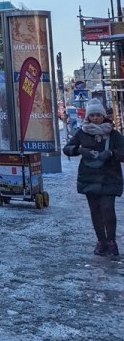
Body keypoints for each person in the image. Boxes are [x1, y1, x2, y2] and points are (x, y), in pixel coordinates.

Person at [62, 98, 124, 257]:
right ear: (88, 117)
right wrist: (79, 150)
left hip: (109, 176)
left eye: (98, 115)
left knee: (107, 208)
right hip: (89, 176)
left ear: (103, 116)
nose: (95, 118)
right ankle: (101, 242)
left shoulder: (113, 133)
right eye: (92, 115)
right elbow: (67, 149)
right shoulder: (82, 132)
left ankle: (111, 242)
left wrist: (111, 154)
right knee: (95, 210)